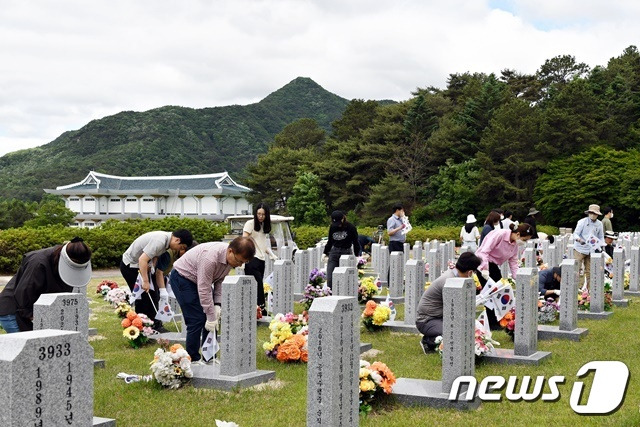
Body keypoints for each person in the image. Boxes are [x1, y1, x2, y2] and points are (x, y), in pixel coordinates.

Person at [170, 236, 255, 363]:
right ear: (230, 251)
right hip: (183, 278)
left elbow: (219, 281)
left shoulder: (229, 259)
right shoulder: (210, 258)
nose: (239, 265)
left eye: (243, 263)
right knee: (196, 318)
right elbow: (204, 288)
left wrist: (217, 305)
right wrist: (210, 316)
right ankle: (192, 358)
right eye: (239, 261)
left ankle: (209, 356)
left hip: (198, 281)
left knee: (214, 316)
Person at [0, 237, 92, 332]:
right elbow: (24, 293)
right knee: (30, 346)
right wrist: (39, 318)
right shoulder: (38, 262)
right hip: (13, 310)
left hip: (33, 309)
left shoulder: (60, 259)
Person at [120, 229, 193, 332]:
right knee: (143, 298)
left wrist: (152, 266)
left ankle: (155, 326)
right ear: (177, 240)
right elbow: (142, 259)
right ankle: (142, 329)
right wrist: (145, 281)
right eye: (181, 247)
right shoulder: (160, 240)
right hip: (130, 266)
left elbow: (154, 256)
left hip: (142, 266)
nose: (178, 249)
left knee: (153, 295)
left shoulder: (166, 242)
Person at [415, 252, 483, 352]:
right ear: (469, 272)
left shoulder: (455, 276)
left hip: (439, 317)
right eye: (473, 272)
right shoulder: (449, 281)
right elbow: (454, 309)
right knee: (455, 333)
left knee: (465, 330)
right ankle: (429, 341)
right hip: (427, 320)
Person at [475, 223, 535, 329]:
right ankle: (491, 322)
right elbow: (484, 251)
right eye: (524, 239)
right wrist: (484, 269)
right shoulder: (499, 235)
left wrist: (519, 278)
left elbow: (513, 262)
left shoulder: (514, 245)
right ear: (517, 234)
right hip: (483, 263)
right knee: (490, 293)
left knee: (499, 292)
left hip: (494, 266)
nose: (524, 243)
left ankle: (497, 319)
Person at [243, 203, 277, 315]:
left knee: (259, 284)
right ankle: (262, 309)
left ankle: (257, 309)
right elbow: (244, 241)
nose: (260, 216)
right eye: (258, 214)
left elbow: (262, 245)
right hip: (252, 259)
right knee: (257, 285)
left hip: (261, 259)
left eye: (263, 214)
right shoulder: (250, 224)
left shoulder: (263, 227)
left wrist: (271, 254)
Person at [324, 210, 360, 289]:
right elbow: (330, 241)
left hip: (346, 252)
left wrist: (357, 255)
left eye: (339, 223)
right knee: (330, 279)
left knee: (345, 278)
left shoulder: (351, 227)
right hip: (334, 252)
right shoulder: (333, 227)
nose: (338, 225)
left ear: (343, 219)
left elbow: (355, 242)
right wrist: (325, 252)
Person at [573, 204, 604, 290]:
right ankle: (576, 289)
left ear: (597, 215)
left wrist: (601, 245)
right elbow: (575, 234)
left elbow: (601, 236)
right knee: (576, 270)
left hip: (591, 249)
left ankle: (590, 290)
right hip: (579, 249)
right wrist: (579, 240)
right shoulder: (582, 222)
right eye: (591, 213)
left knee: (590, 271)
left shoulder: (599, 224)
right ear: (589, 213)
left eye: (595, 213)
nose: (593, 215)